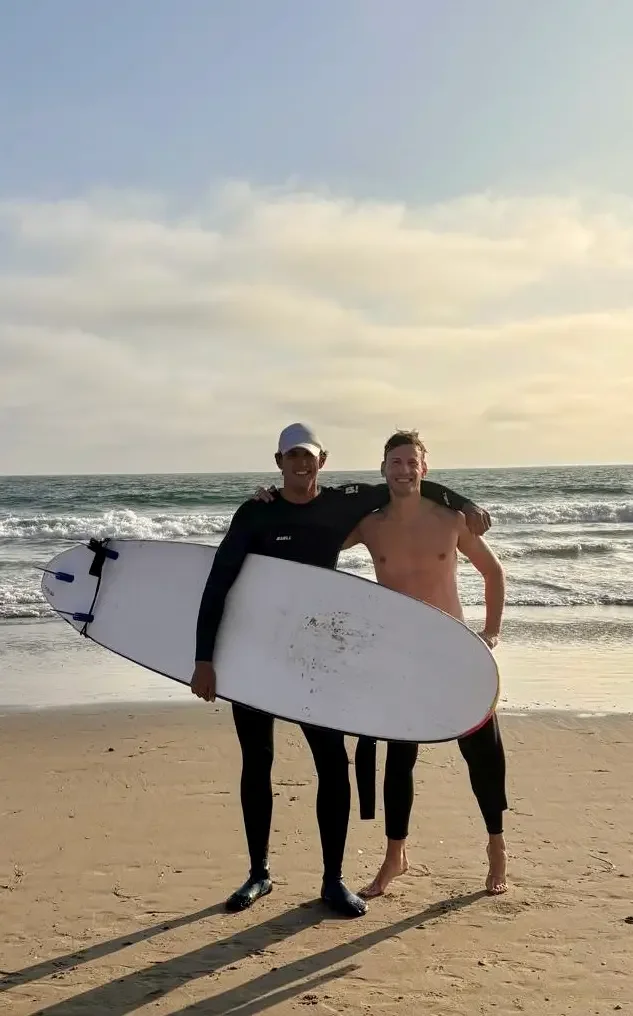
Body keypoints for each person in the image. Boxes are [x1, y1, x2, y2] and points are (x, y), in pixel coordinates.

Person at [191, 423, 492, 918]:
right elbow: (218, 582)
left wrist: (464, 499)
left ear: (322, 460)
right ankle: (258, 874)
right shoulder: (255, 512)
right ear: (279, 461)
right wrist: (205, 659)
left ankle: (333, 879)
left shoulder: (342, 503)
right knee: (256, 761)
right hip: (255, 652)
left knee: (333, 764)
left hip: (315, 654)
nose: (300, 465)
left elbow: (411, 484)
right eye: (292, 457)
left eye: (308, 457)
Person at [343, 429, 508, 899]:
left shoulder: (451, 519)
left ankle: (496, 846)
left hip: (453, 651)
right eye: (396, 463)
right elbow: (316, 539)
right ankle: (396, 856)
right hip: (399, 655)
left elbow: (493, 572)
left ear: (424, 469)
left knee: (482, 750)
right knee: (400, 758)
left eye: (412, 463)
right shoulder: (369, 526)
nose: (404, 470)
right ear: (383, 470)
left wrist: (491, 632)